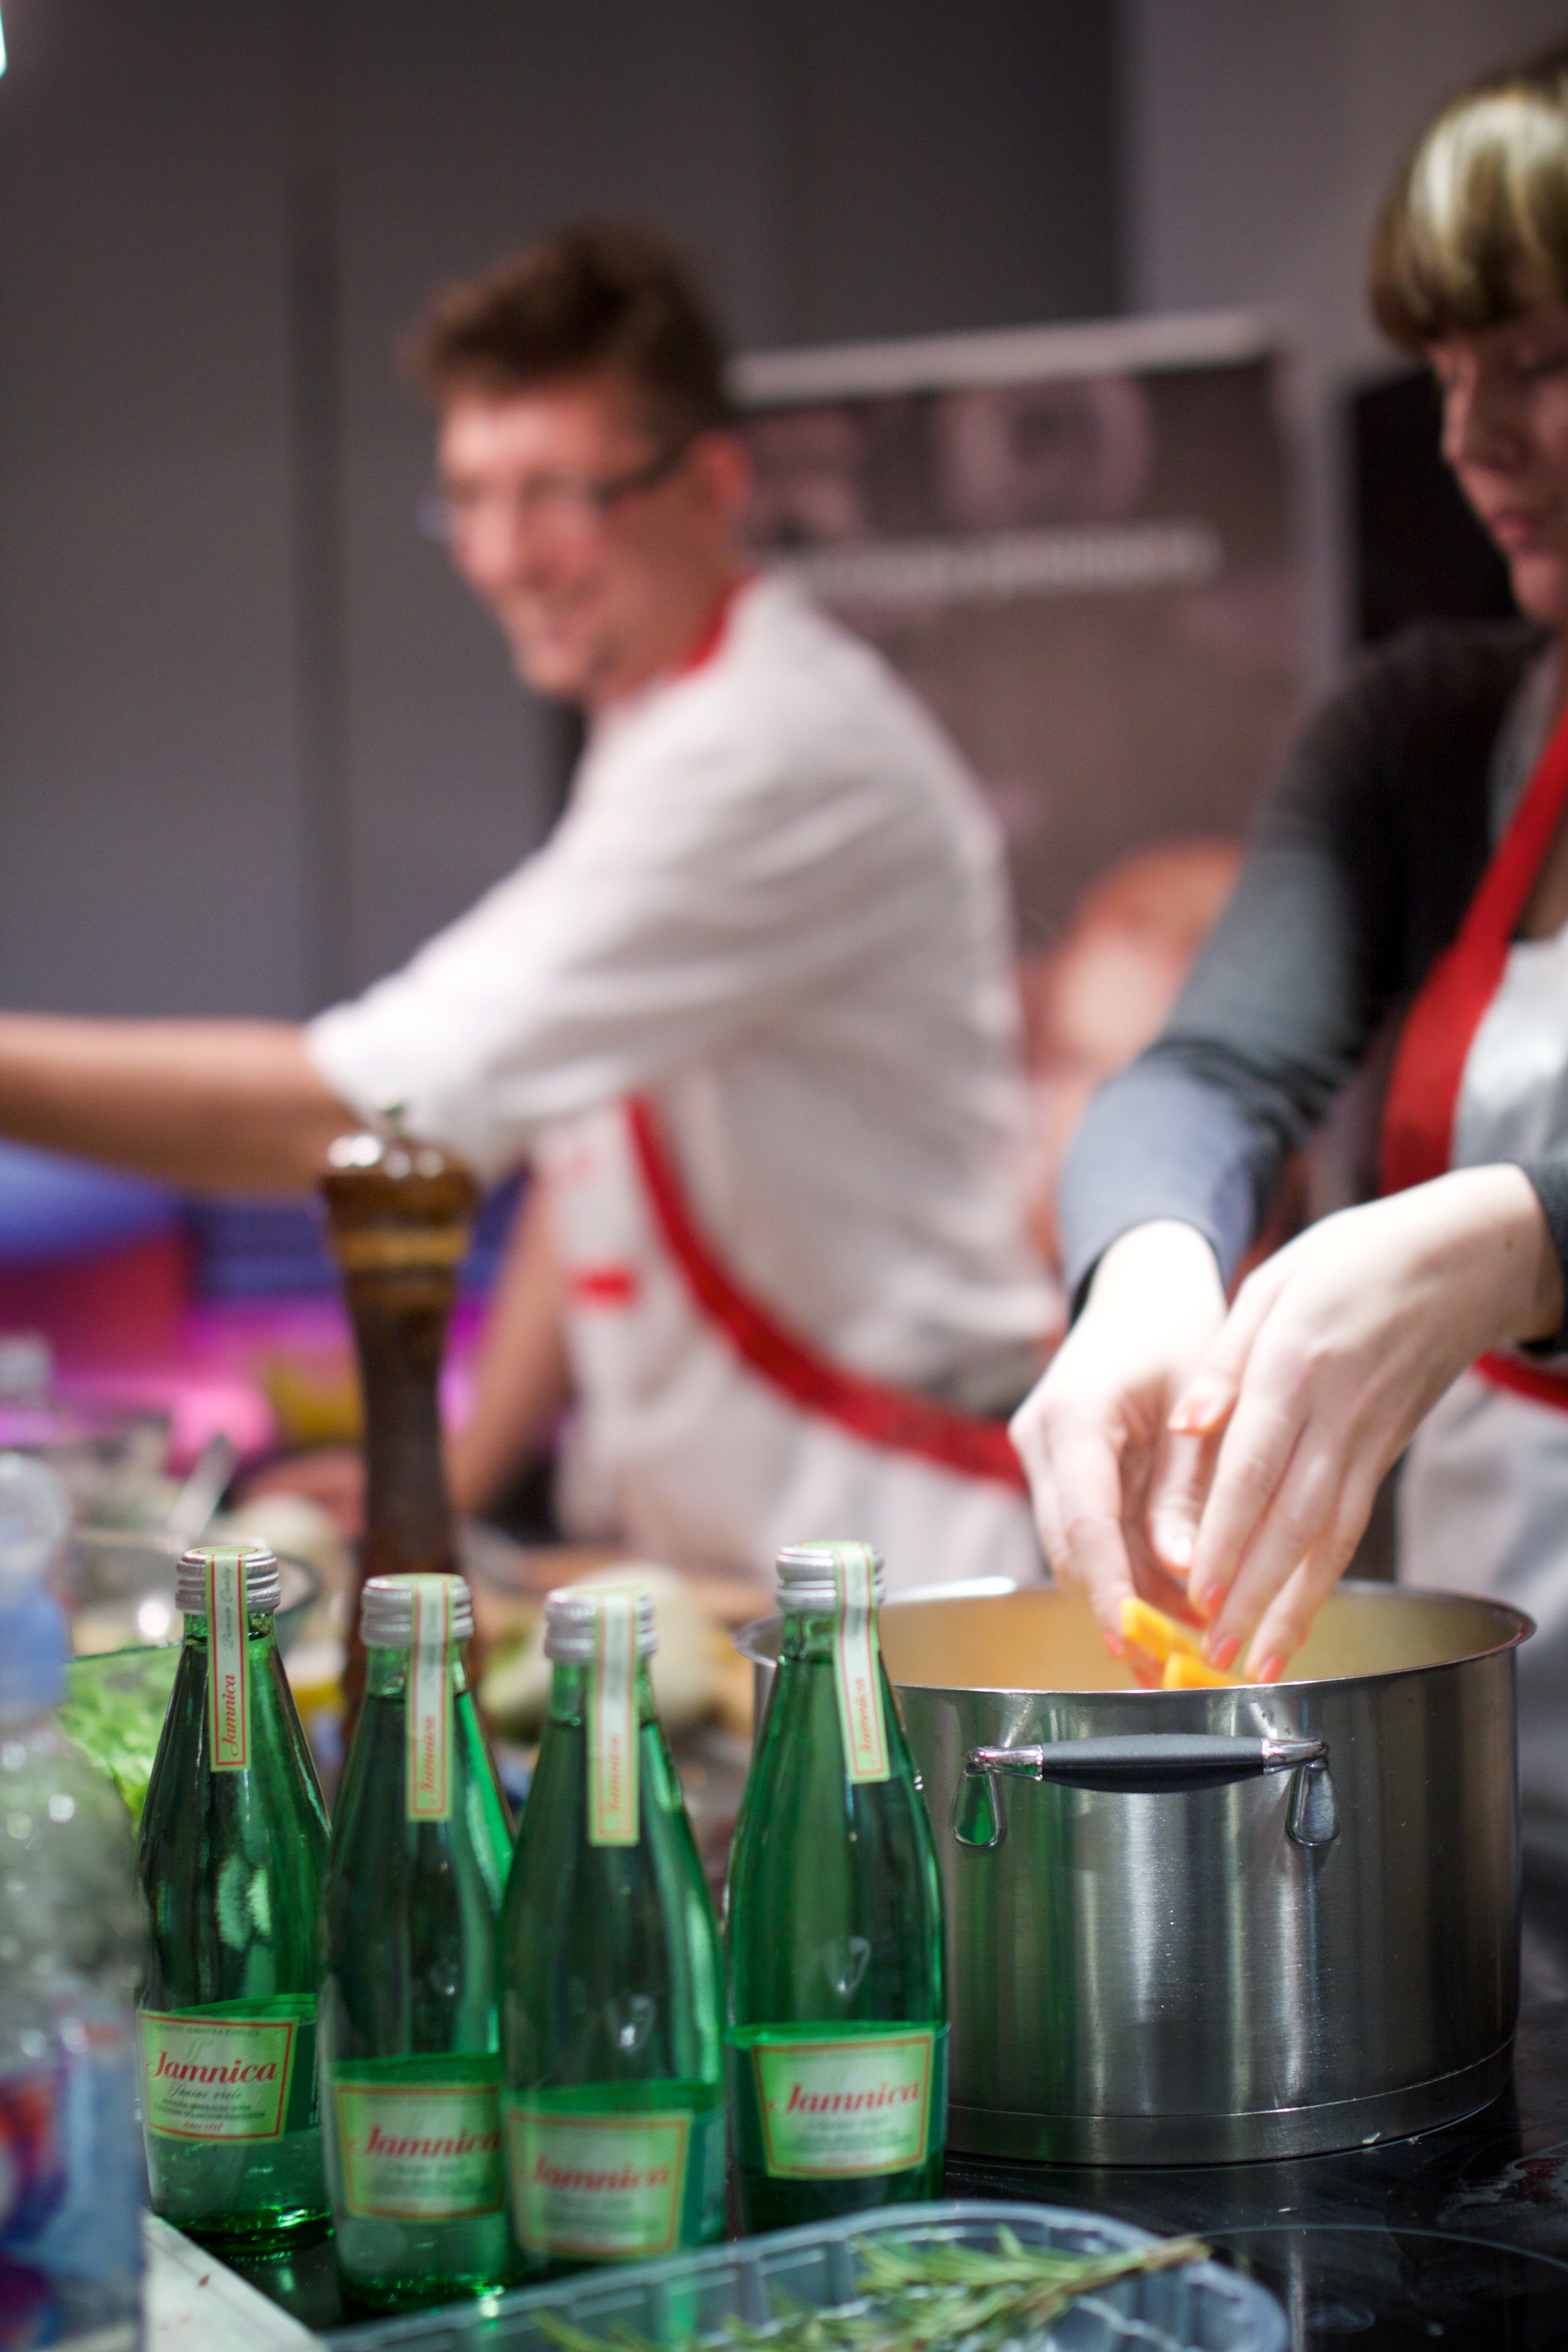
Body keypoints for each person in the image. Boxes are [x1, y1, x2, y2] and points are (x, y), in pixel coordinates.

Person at [0, 223, 1050, 1587]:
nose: (501, 557)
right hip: (744, 1555)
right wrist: (456, 1471)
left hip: (900, 1548)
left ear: (711, 484)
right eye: (468, 497)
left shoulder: (767, 748)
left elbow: (373, 1112)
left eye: (555, 495)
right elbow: (590, 1143)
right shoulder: (660, 719)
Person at [1010, 43, 1568, 1836]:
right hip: (1500, 1807)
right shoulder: (1432, 735)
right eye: (1450, 371)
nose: (1471, 441)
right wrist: (1151, 1270)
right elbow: (1208, 1073)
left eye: (1541, 363)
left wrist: (1523, 1239)